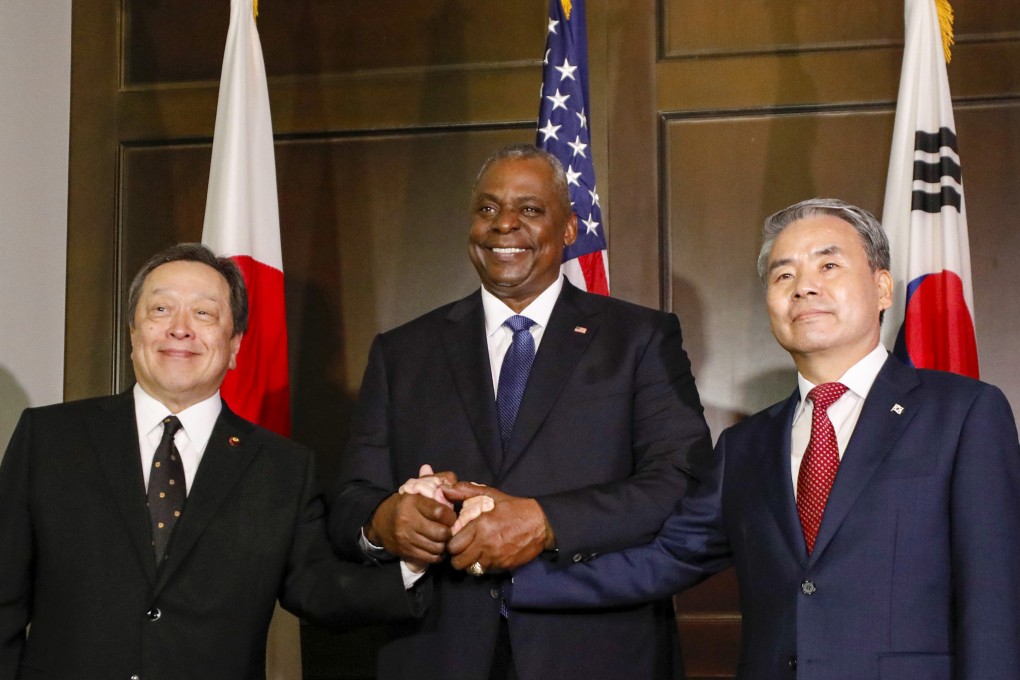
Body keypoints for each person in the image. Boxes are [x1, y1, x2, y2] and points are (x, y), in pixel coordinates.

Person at [509, 198, 1020, 679]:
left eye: (828, 266)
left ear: (883, 289)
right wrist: (509, 581)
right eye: (784, 274)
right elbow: (664, 560)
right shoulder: (744, 446)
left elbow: (995, 598)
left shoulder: (963, 413)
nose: (803, 287)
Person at [327, 144, 714, 679]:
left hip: (596, 653)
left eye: (529, 209)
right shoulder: (402, 352)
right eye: (487, 209)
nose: (504, 224)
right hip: (436, 651)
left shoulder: (639, 338)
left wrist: (546, 522)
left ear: (570, 229)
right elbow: (350, 501)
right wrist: (385, 522)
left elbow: (682, 482)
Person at [0, 243, 425, 680]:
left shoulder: (282, 468)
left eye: (203, 314)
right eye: (161, 309)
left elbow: (318, 590)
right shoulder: (49, 439)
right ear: (132, 332)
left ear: (235, 344)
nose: (180, 329)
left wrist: (412, 563)